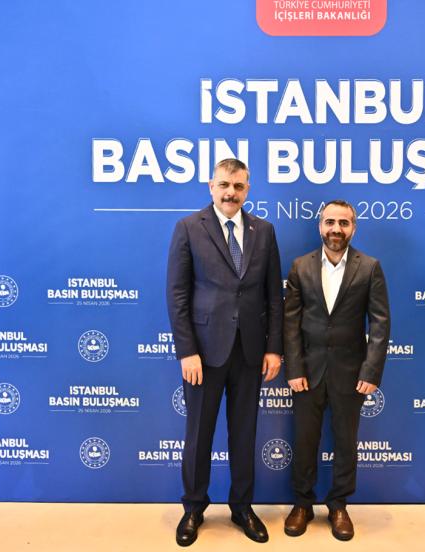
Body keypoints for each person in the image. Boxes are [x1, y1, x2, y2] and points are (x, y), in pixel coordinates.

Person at [166, 158, 283, 546]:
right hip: (203, 353)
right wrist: (186, 350)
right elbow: (177, 294)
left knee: (244, 433)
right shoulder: (188, 228)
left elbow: (273, 297)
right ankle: (193, 508)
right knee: (198, 434)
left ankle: (242, 507)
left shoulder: (264, 231)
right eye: (224, 185)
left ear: (247, 189)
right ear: (211, 186)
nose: (231, 192)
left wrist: (273, 349)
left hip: (250, 352)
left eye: (238, 186)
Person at [282, 200, 390, 541]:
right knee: (305, 440)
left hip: (350, 372)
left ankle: (339, 504)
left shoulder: (369, 267)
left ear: (353, 228)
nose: (336, 229)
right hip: (307, 371)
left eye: (343, 223)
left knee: (346, 441)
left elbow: (380, 323)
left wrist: (371, 371)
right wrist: (294, 367)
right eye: (330, 222)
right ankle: (302, 504)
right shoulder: (300, 266)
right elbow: (290, 323)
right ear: (320, 226)